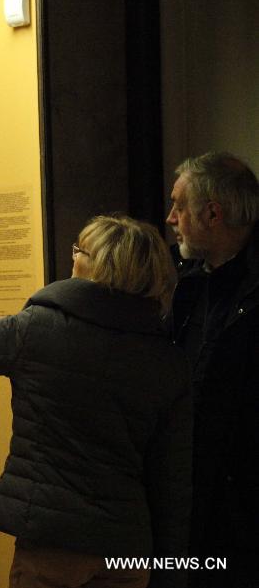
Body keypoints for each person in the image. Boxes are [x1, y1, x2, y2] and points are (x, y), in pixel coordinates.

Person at [0, 216, 191, 588]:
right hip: (126, 547)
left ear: (99, 267)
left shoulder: (40, 330)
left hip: (52, 542)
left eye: (80, 251)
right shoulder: (167, 360)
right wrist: (171, 564)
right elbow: (172, 477)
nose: (73, 257)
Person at [166, 152, 259, 588]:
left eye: (179, 206)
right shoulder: (179, 280)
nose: (170, 218)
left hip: (243, 509)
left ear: (213, 214)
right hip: (189, 497)